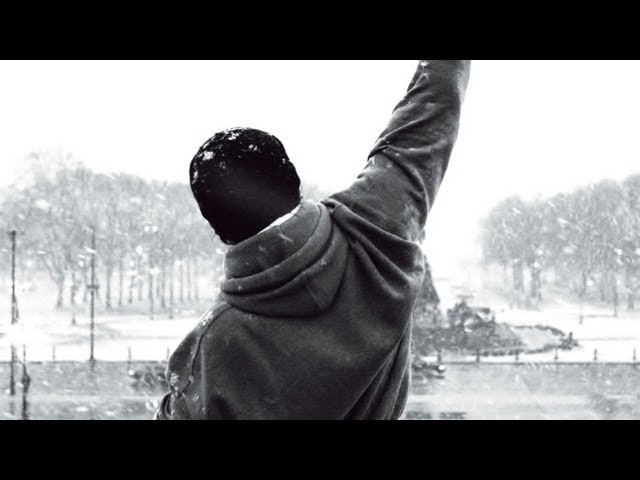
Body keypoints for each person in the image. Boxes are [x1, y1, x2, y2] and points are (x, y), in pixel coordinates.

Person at [155, 60, 471, 420]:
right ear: (294, 181)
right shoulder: (375, 227)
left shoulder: (210, 353)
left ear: (217, 228)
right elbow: (432, 109)